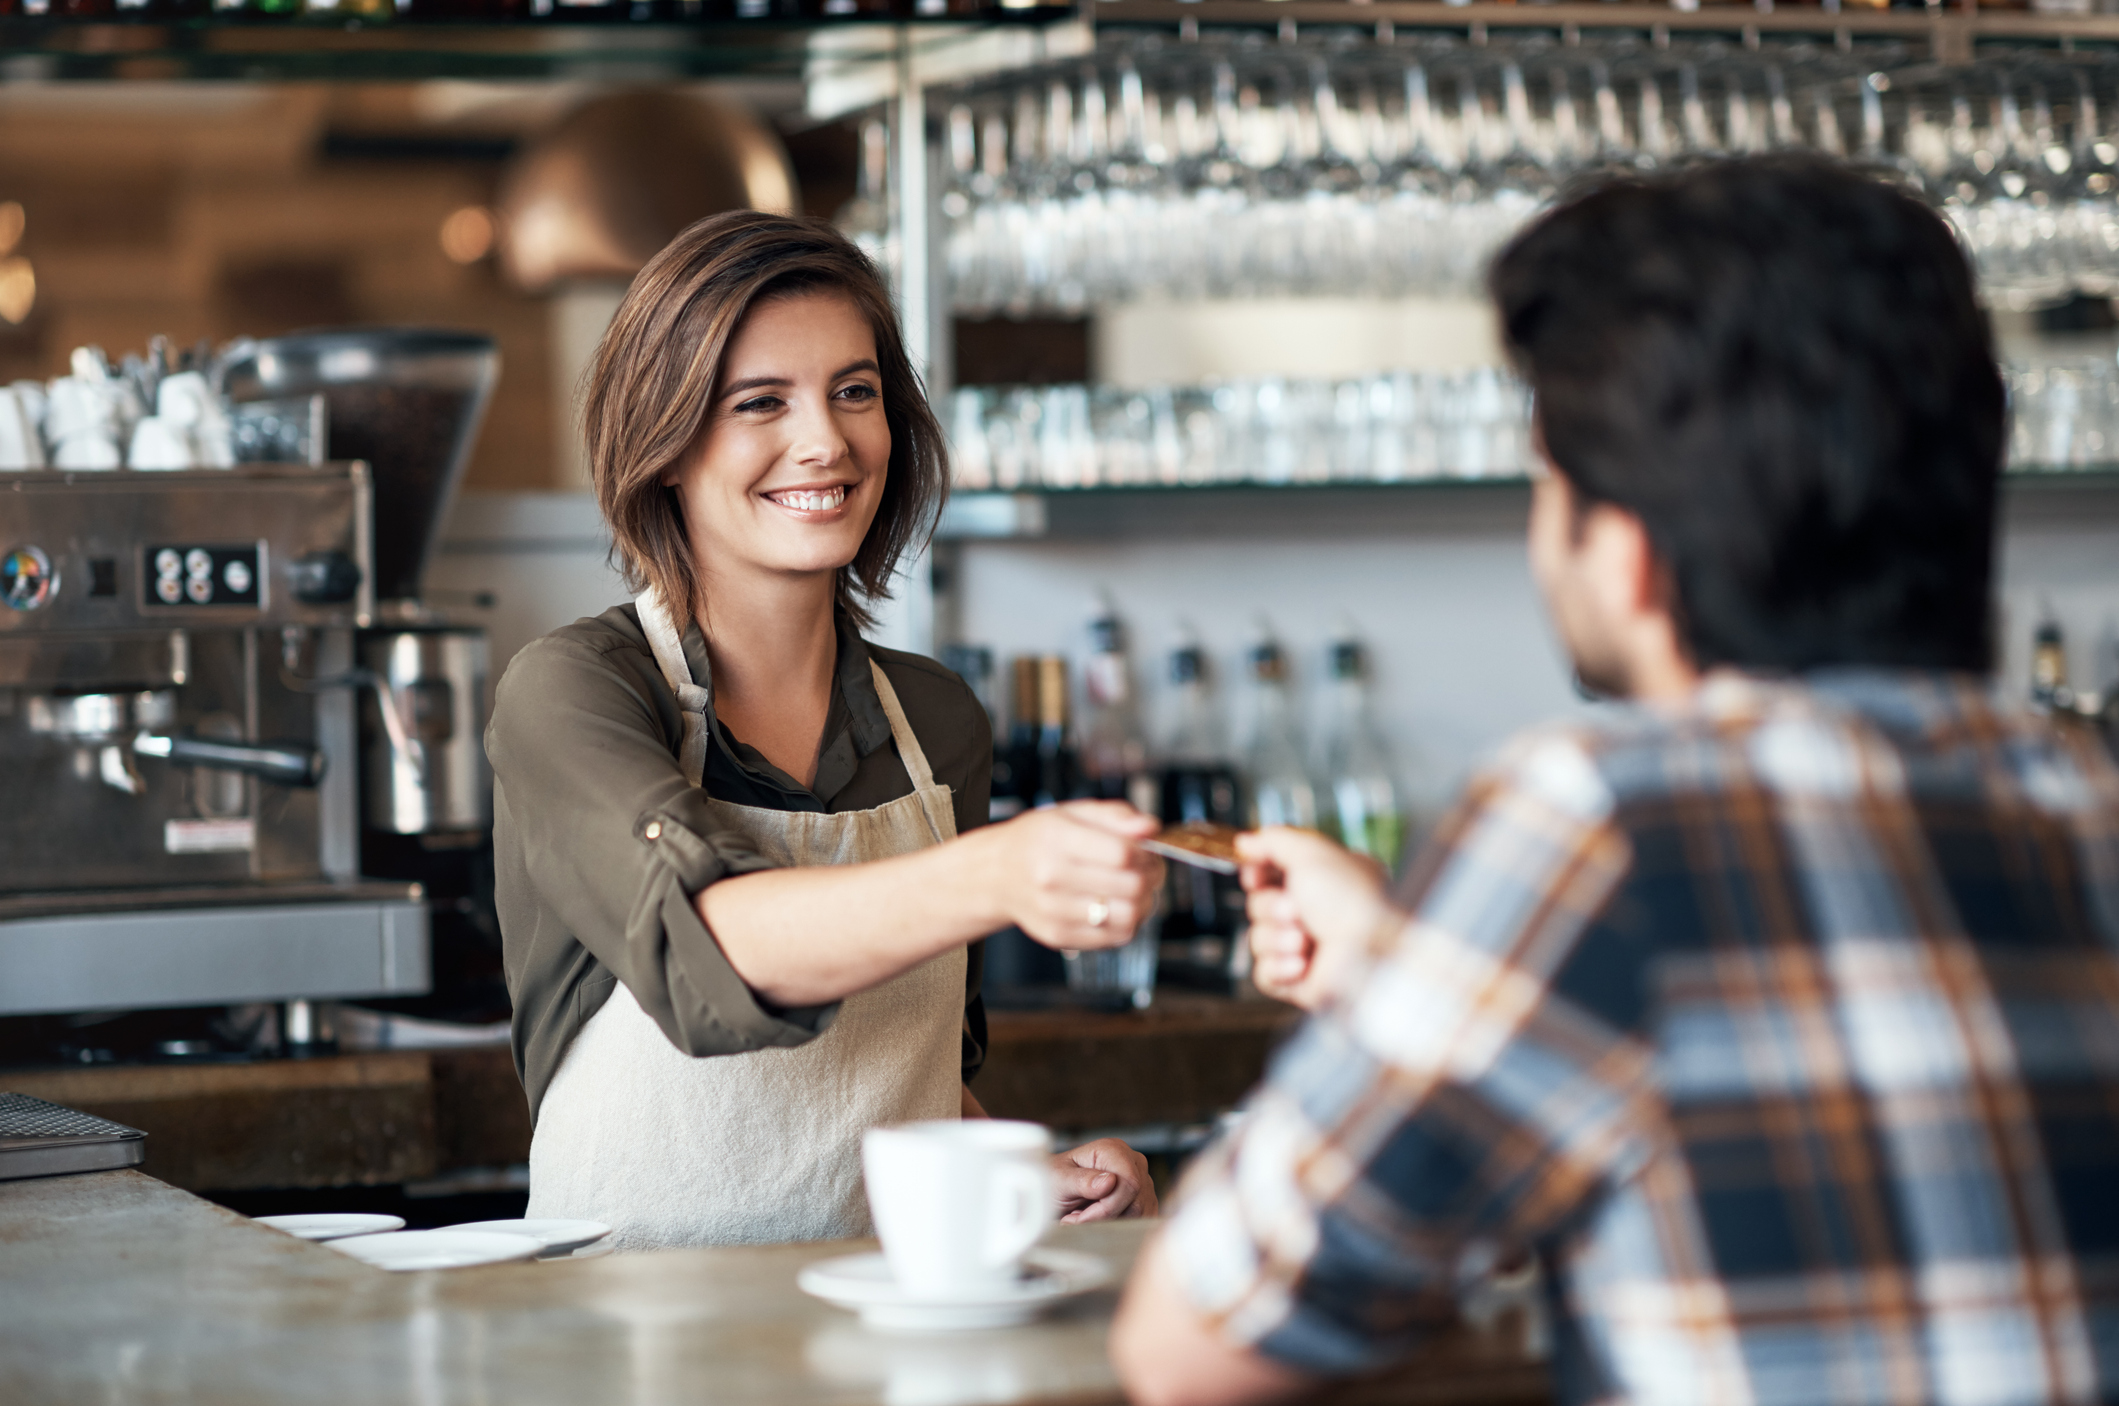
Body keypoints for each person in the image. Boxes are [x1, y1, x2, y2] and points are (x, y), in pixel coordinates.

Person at [1112, 157, 2119, 1406]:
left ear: (1629, 554)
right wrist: (1402, 961)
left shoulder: (1600, 820)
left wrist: (1403, 989)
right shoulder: (2075, 797)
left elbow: (1197, 1338)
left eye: (1549, 481)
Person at [487, 211, 1162, 1252]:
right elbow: (710, 951)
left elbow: (904, 1085)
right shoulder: (571, 691)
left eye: (855, 391)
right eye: (762, 403)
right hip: (630, 1346)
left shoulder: (937, 722)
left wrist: (1041, 1177)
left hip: (892, 1329)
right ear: (664, 444)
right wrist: (1000, 871)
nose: (828, 441)